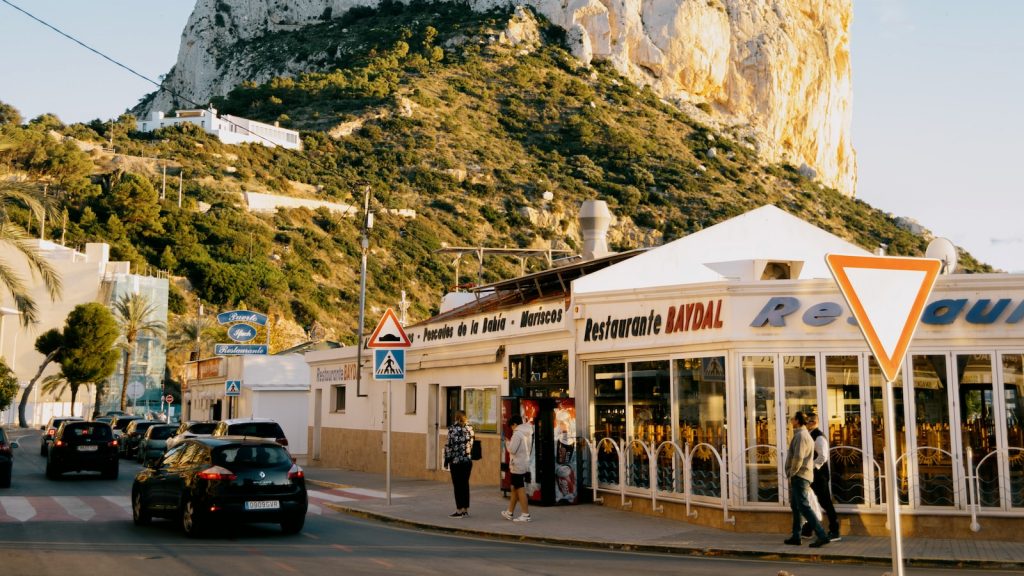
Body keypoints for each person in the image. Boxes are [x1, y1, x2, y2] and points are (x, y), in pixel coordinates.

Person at [784, 411, 829, 547]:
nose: (791, 420)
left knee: (804, 507)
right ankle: (796, 536)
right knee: (796, 506)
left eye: (792, 418)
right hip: (801, 475)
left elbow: (798, 457)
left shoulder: (801, 436)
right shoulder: (802, 434)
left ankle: (821, 535)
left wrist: (792, 472)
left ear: (797, 421)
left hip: (800, 476)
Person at [801, 412, 840, 541]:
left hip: (819, 475)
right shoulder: (809, 435)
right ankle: (808, 530)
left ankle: (835, 531)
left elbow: (822, 457)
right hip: (811, 475)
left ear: (813, 422)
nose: (804, 424)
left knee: (825, 502)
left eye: (806, 422)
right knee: (810, 501)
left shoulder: (819, 437)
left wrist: (810, 467)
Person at [502, 414, 533, 522]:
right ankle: (509, 512)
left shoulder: (517, 434)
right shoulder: (527, 432)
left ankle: (525, 514)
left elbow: (512, 450)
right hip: (523, 463)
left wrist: (507, 442)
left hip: (517, 465)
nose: (511, 428)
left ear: (515, 424)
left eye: (511, 426)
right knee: (514, 488)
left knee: (519, 488)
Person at [444, 410, 474, 518]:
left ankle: (459, 510)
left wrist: (447, 460)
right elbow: (472, 443)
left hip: (456, 462)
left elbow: (449, 446)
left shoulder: (452, 429)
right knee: (465, 485)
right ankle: (465, 509)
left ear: (456, 417)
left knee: (457, 486)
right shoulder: (470, 428)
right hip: (467, 461)